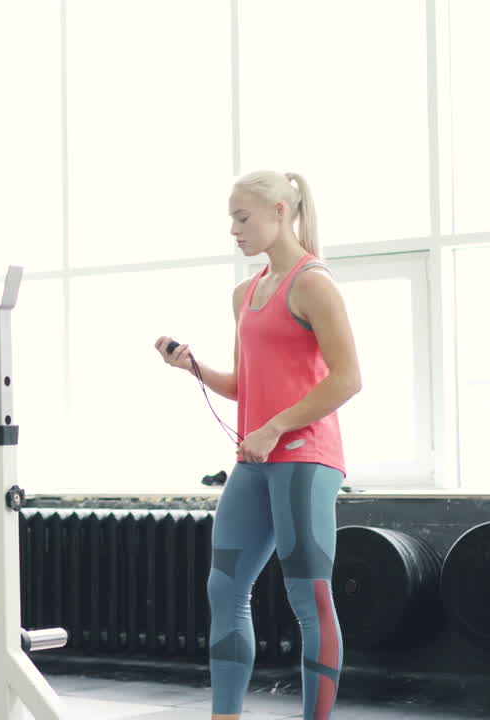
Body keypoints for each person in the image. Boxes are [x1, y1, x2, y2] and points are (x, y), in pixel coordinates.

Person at [154, 171, 361, 720]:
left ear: (277, 211)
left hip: (306, 458)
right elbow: (245, 387)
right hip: (256, 460)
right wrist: (192, 367)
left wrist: (274, 428)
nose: (233, 230)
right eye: (231, 219)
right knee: (224, 590)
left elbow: (346, 379)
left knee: (308, 599)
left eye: (242, 218)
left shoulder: (314, 282)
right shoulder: (244, 293)